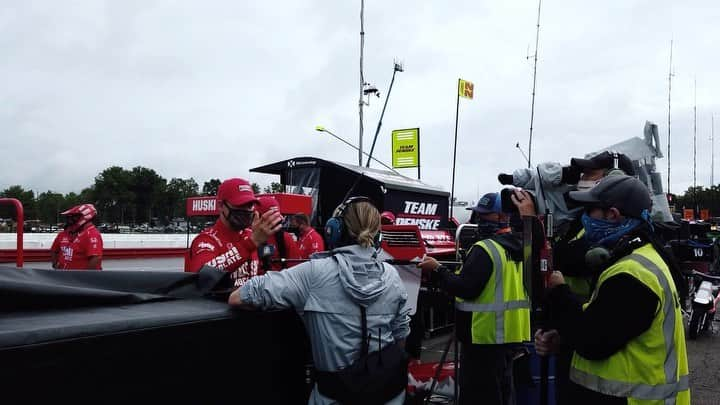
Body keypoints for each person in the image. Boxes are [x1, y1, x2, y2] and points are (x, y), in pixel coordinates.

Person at [229, 197, 411, 404]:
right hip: (390, 394)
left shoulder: (313, 273)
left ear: (334, 230)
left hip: (334, 395)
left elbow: (239, 297)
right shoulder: (392, 275)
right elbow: (401, 337)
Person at [536, 175, 690, 405]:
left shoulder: (632, 274)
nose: (585, 219)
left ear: (613, 215)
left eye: (590, 211)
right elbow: (610, 326)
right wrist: (564, 338)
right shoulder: (640, 257)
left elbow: (593, 341)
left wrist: (559, 292)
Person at [417, 190, 538, 405]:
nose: (478, 220)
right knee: (502, 394)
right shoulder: (520, 247)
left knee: (479, 397)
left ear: (502, 217)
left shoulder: (485, 249)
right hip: (509, 340)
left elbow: (466, 288)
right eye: (477, 214)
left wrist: (437, 270)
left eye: (484, 215)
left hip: (482, 340)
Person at [187, 178, 282, 288]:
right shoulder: (206, 240)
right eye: (240, 205)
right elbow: (203, 275)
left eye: (249, 205)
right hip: (216, 304)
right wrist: (251, 243)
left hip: (247, 303)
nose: (246, 210)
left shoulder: (250, 234)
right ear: (221, 206)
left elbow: (259, 274)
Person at [255, 195, 302, 271]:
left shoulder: (285, 238)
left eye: (276, 218)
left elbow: (295, 268)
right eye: (270, 218)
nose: (274, 222)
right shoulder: (248, 238)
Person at [50, 204, 103, 270]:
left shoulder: (92, 234)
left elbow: (95, 258)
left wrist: (85, 276)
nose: (70, 220)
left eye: (73, 217)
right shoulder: (64, 233)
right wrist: (55, 265)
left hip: (80, 278)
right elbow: (54, 250)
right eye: (68, 217)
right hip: (63, 276)